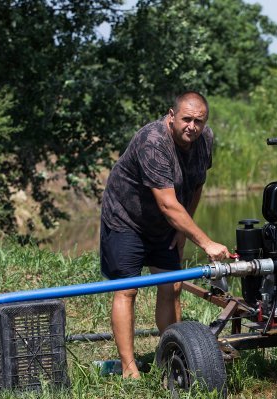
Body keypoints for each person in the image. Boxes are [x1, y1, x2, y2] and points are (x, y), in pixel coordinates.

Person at [100, 91, 231, 378]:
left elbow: (196, 186)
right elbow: (168, 204)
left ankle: (171, 354)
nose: (192, 127)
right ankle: (129, 368)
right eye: (186, 119)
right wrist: (205, 242)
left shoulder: (204, 140)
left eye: (199, 121)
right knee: (126, 289)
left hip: (165, 223)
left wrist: (184, 229)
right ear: (171, 116)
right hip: (126, 219)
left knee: (172, 287)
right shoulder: (153, 141)